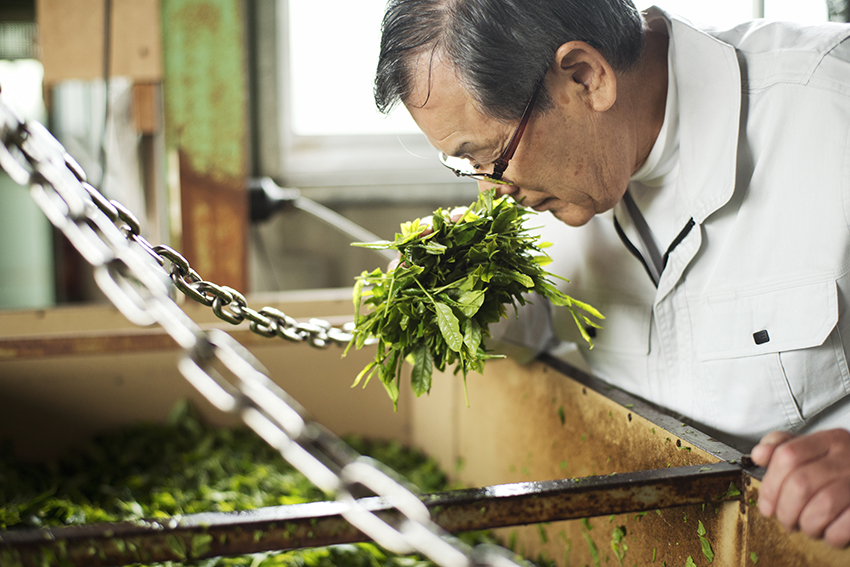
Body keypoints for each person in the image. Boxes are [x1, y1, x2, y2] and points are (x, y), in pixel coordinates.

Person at [374, 0, 850, 549]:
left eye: (488, 158)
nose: (490, 190)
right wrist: (448, 288)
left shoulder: (830, 108)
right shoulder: (553, 187)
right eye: (467, 166)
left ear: (585, 77)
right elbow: (528, 327)